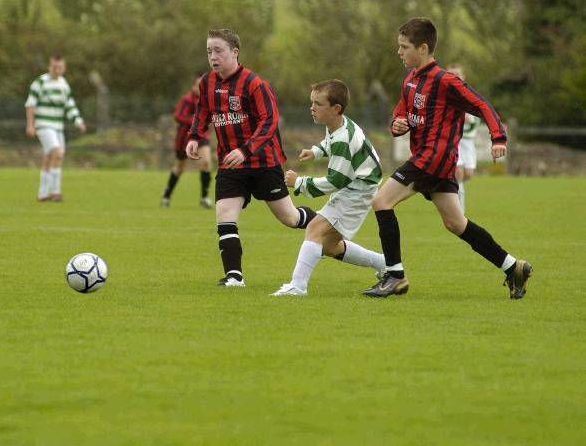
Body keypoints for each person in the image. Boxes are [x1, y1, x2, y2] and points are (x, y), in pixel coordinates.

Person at [362, 17, 533, 300]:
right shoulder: (410, 79)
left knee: (381, 201)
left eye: (404, 47)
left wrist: (498, 137)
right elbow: (399, 114)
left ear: (424, 47)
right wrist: (398, 125)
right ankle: (513, 266)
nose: (399, 52)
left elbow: (481, 104)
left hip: (433, 159)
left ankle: (395, 276)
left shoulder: (446, 81)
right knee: (456, 223)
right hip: (434, 163)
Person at [186, 29, 316, 287]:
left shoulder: (255, 84)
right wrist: (194, 136)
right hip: (230, 164)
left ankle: (325, 223)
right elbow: (203, 111)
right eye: (209, 51)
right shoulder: (206, 82)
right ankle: (235, 276)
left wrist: (245, 150)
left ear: (235, 52)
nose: (213, 56)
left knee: (289, 218)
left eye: (219, 50)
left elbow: (269, 123)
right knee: (224, 213)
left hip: (263, 163)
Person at [271, 80, 385, 296]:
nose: (311, 107)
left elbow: (335, 181)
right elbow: (329, 142)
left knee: (315, 228)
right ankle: (384, 264)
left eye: (317, 103)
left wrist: (300, 183)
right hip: (358, 186)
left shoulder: (344, 137)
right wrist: (316, 151)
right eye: (311, 102)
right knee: (330, 246)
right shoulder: (337, 126)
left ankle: (298, 286)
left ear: (336, 109)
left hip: (357, 189)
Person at [25, 54, 87, 201]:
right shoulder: (40, 82)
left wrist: (78, 121)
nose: (57, 70)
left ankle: (42, 194)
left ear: (64, 68)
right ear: (49, 66)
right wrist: (30, 125)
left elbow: (69, 105)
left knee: (50, 157)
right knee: (57, 153)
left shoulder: (63, 84)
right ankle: (56, 192)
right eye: (54, 67)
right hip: (44, 125)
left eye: (60, 67)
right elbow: (30, 104)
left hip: (57, 127)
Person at [161, 73, 212, 208]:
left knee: (206, 162)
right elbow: (178, 115)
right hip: (184, 138)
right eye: (198, 85)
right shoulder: (187, 99)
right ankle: (166, 195)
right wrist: (196, 121)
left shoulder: (209, 100)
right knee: (179, 167)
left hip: (202, 137)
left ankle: (204, 197)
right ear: (194, 86)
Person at [448, 63, 480, 212]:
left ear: (463, 77)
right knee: (458, 172)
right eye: (451, 74)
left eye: (457, 74)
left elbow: (479, 114)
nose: (455, 77)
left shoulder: (470, 94)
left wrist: (471, 118)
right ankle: (459, 209)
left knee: (468, 174)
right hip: (453, 140)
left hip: (468, 142)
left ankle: (447, 184)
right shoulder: (446, 94)